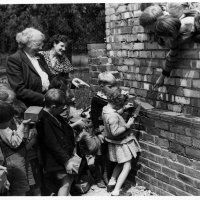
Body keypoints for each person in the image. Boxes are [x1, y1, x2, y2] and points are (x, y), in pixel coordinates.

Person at [90, 72, 133, 188]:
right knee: (100, 153)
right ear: (101, 86)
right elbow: (93, 116)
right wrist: (98, 132)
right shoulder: (96, 99)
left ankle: (108, 175)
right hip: (101, 129)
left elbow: (114, 110)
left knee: (109, 154)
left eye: (114, 86)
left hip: (110, 128)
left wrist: (124, 106)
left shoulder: (110, 97)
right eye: (110, 87)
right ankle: (98, 176)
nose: (113, 89)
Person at [36, 89, 78, 196]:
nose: (63, 110)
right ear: (53, 107)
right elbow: (52, 144)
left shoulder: (54, 116)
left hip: (64, 157)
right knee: (65, 183)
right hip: (57, 160)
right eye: (61, 108)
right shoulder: (43, 121)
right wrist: (66, 161)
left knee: (68, 181)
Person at [102, 88, 141, 196]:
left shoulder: (106, 109)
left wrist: (123, 108)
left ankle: (112, 183)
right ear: (116, 103)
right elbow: (115, 132)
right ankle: (116, 191)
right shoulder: (113, 116)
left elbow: (113, 115)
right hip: (121, 143)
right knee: (127, 166)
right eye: (121, 104)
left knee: (120, 163)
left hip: (115, 143)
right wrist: (127, 126)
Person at [0, 85, 35, 196]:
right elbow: (14, 142)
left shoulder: (6, 117)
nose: (11, 106)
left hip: (20, 157)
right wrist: (22, 126)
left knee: (24, 187)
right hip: (13, 160)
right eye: (8, 104)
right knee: (18, 190)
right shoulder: (2, 123)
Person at [6, 27, 54, 107]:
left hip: (47, 103)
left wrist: (70, 82)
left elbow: (51, 77)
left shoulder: (40, 57)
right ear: (27, 43)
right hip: (29, 107)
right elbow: (19, 90)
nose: (41, 48)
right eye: (38, 44)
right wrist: (44, 98)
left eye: (42, 44)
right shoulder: (15, 59)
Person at [153, 14, 200, 90]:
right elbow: (171, 58)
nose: (165, 40)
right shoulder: (174, 39)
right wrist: (162, 78)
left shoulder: (191, 21)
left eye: (164, 38)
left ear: (170, 33)